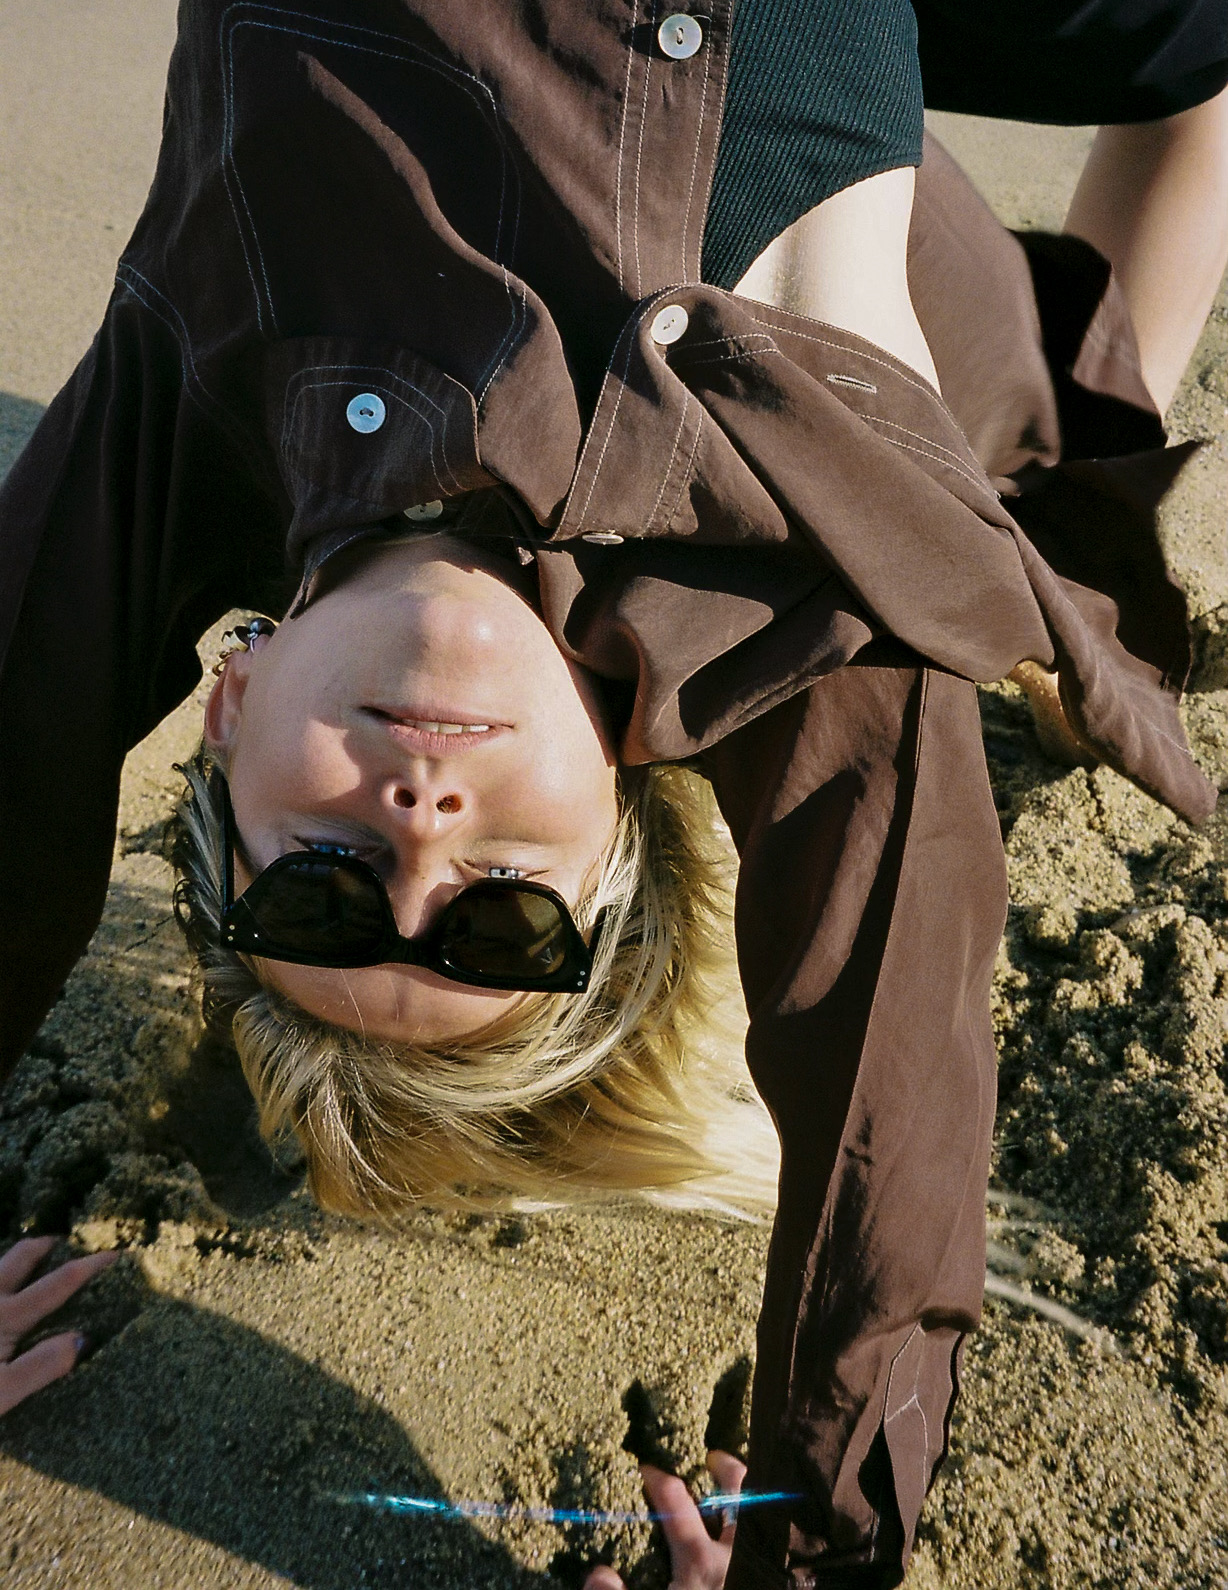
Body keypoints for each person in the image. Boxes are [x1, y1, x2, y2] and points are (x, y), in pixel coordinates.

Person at [2, 4, 1226, 1588]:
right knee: (1164, 129)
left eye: (321, 880)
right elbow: (885, 1091)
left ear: (228, 713)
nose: (421, 833)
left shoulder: (194, 396)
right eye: (505, 917)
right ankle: (1053, 548)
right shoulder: (794, 574)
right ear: (624, 796)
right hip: (911, 252)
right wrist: (810, 1550)